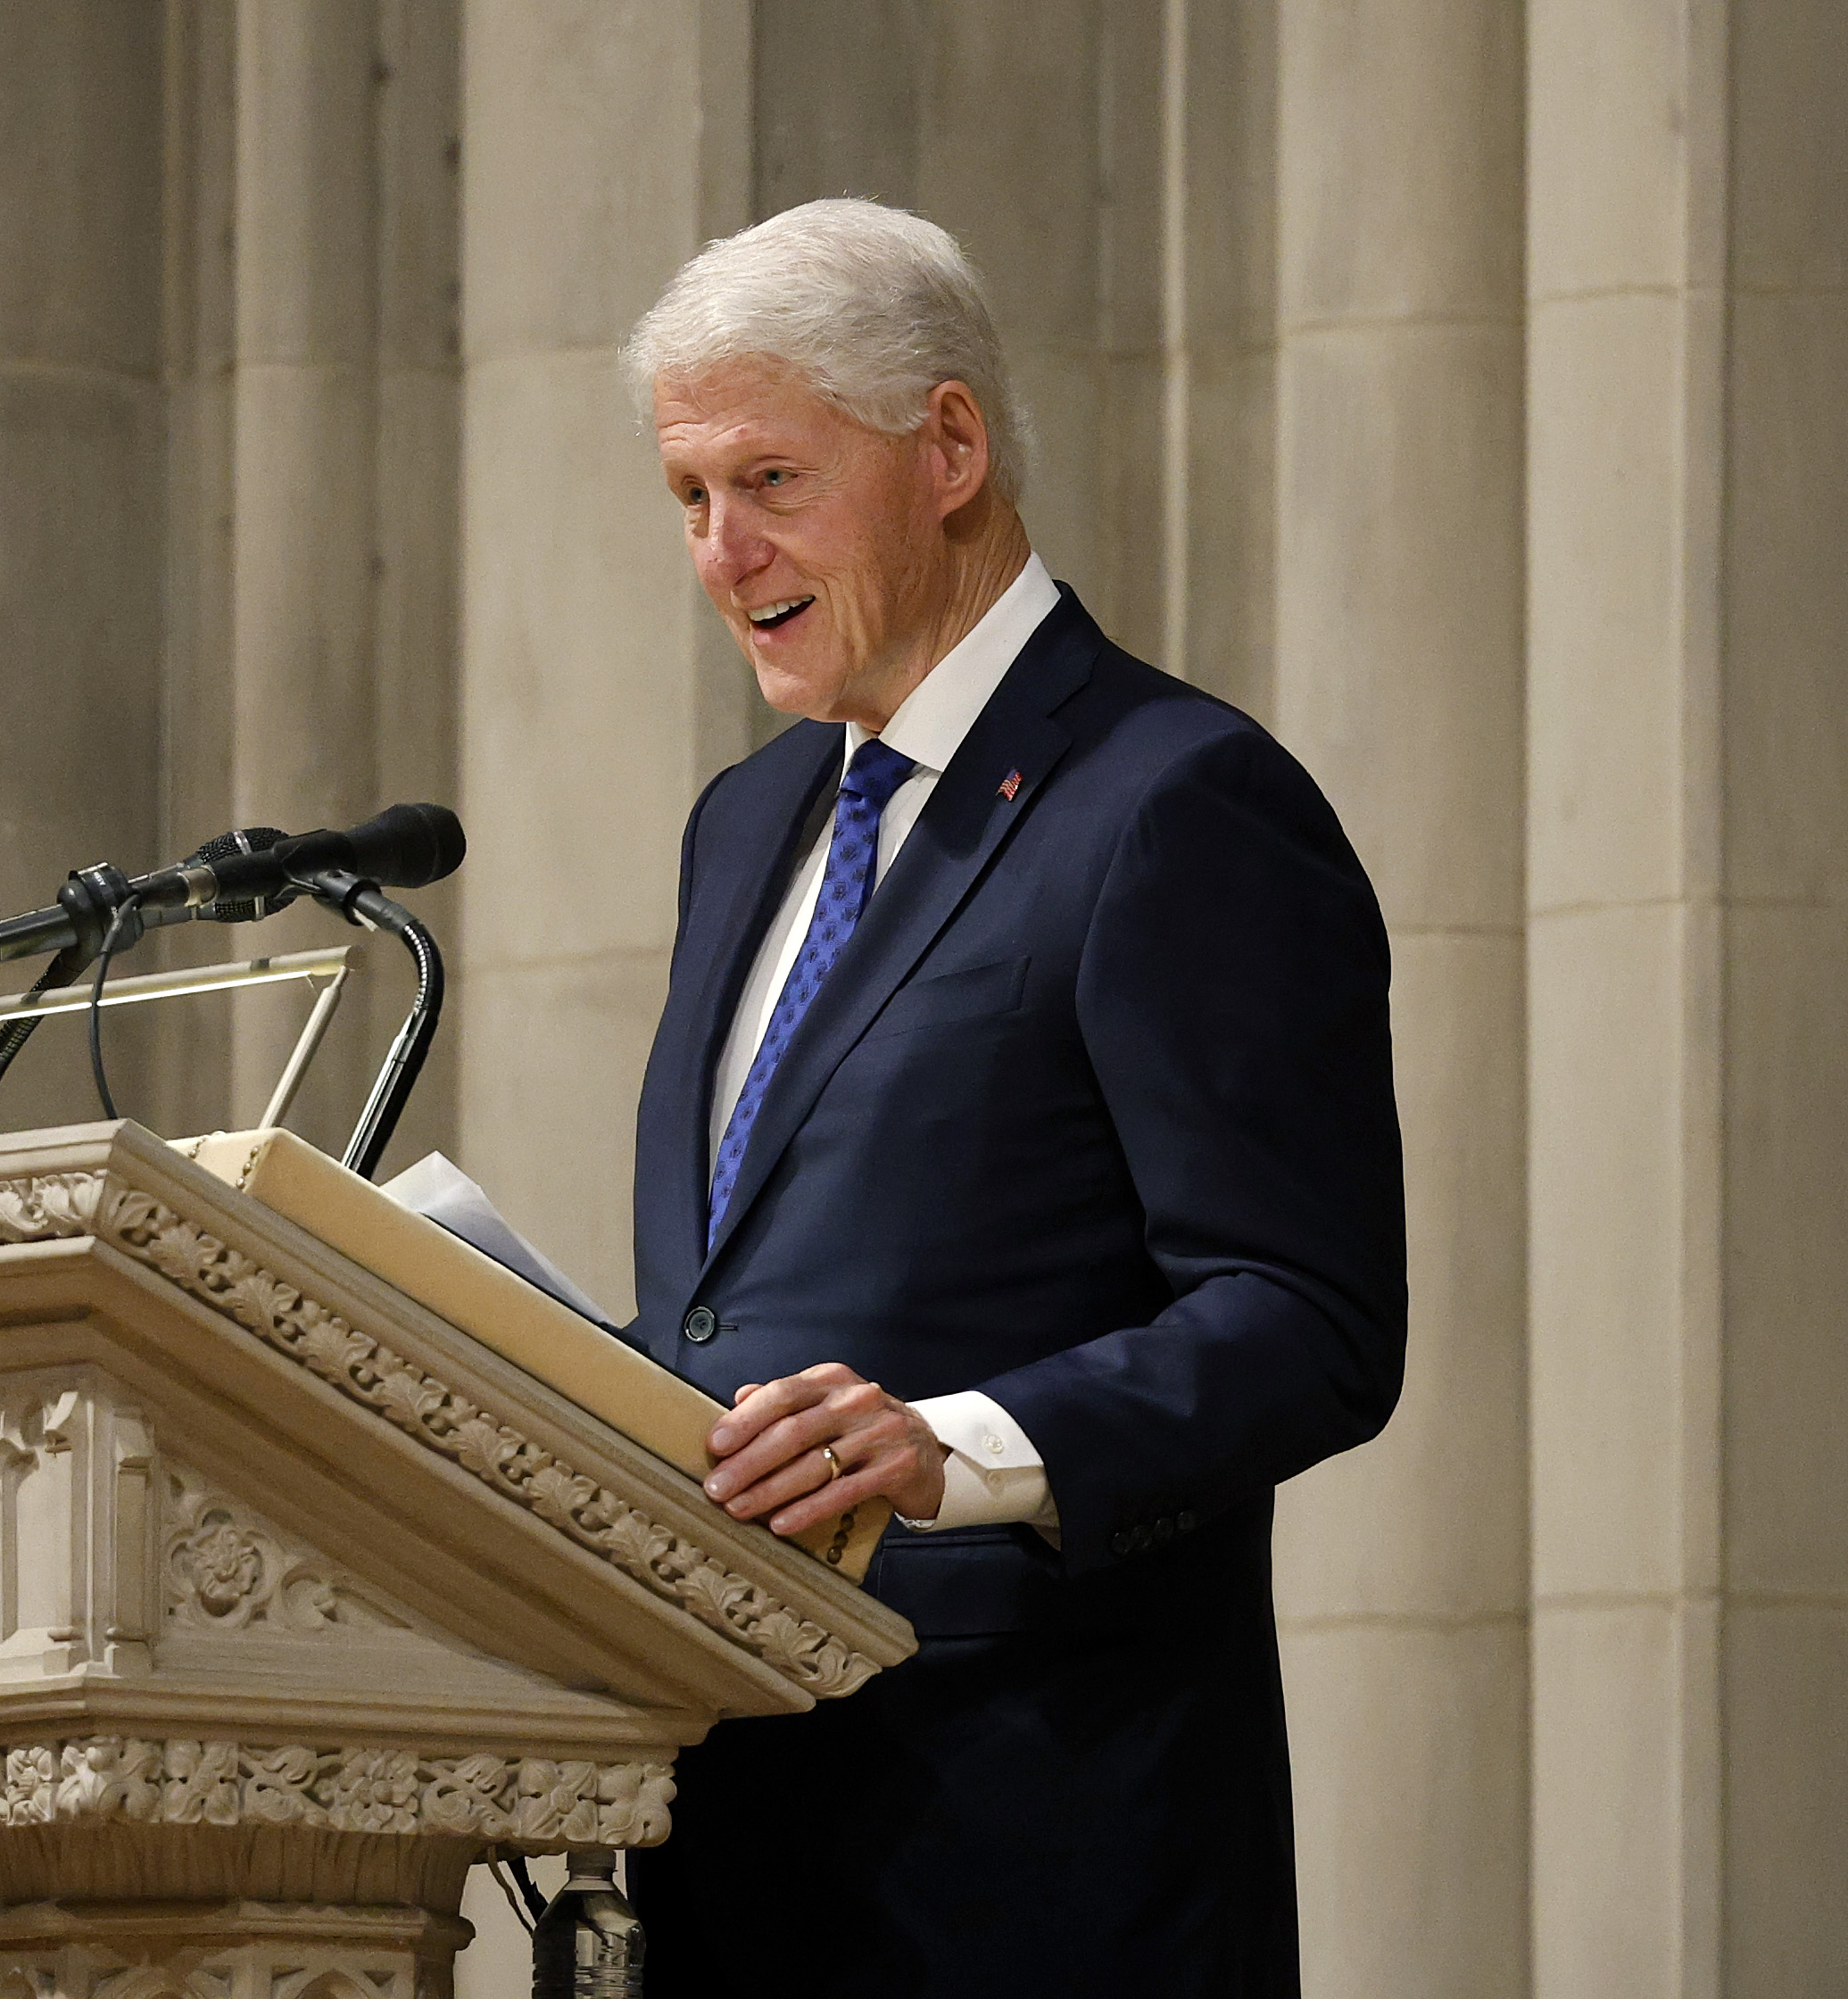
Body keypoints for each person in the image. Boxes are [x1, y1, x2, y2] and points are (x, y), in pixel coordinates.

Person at [614, 198, 1406, 1994]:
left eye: (767, 482)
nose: (720, 554)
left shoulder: (1172, 802)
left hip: (1038, 1872)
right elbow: (747, 1308)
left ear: (946, 446)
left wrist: (954, 1446)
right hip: (730, 1847)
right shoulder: (742, 828)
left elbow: (1308, 1317)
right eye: (686, 499)